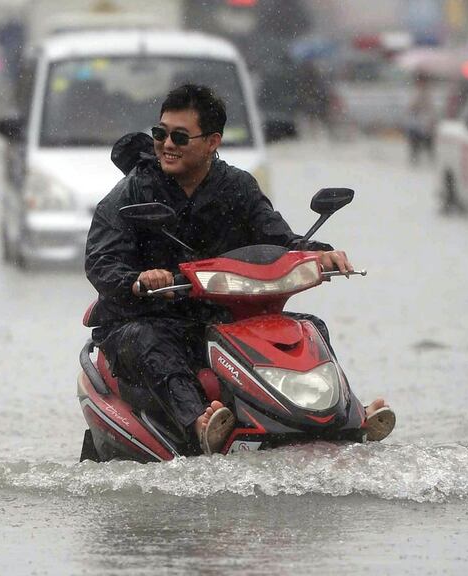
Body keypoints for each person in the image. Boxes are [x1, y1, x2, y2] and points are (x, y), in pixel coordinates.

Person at [85, 84, 394, 455]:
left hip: (221, 315)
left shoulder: (237, 187)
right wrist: (138, 280)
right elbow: (100, 261)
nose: (167, 144)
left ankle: (344, 416)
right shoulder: (132, 192)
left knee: (308, 327)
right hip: (145, 318)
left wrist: (319, 254)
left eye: (180, 137)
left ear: (212, 141)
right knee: (151, 340)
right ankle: (198, 422)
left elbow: (279, 238)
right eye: (160, 134)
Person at [406, 73, 437, 166]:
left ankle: (430, 157)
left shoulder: (427, 93)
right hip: (416, 119)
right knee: (415, 140)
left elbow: (430, 107)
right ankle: (415, 157)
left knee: (427, 140)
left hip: (424, 119)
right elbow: (411, 106)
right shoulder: (416, 91)